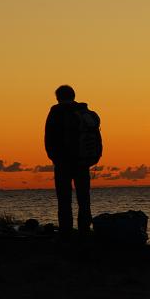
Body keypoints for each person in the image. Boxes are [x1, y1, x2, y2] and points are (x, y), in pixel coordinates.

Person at [44, 85, 102, 238]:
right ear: (73, 96)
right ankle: (84, 230)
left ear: (58, 97)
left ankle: (66, 232)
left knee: (64, 199)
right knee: (84, 199)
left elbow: (49, 137)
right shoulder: (84, 112)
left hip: (63, 163)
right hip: (83, 162)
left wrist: (55, 158)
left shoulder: (56, 111)